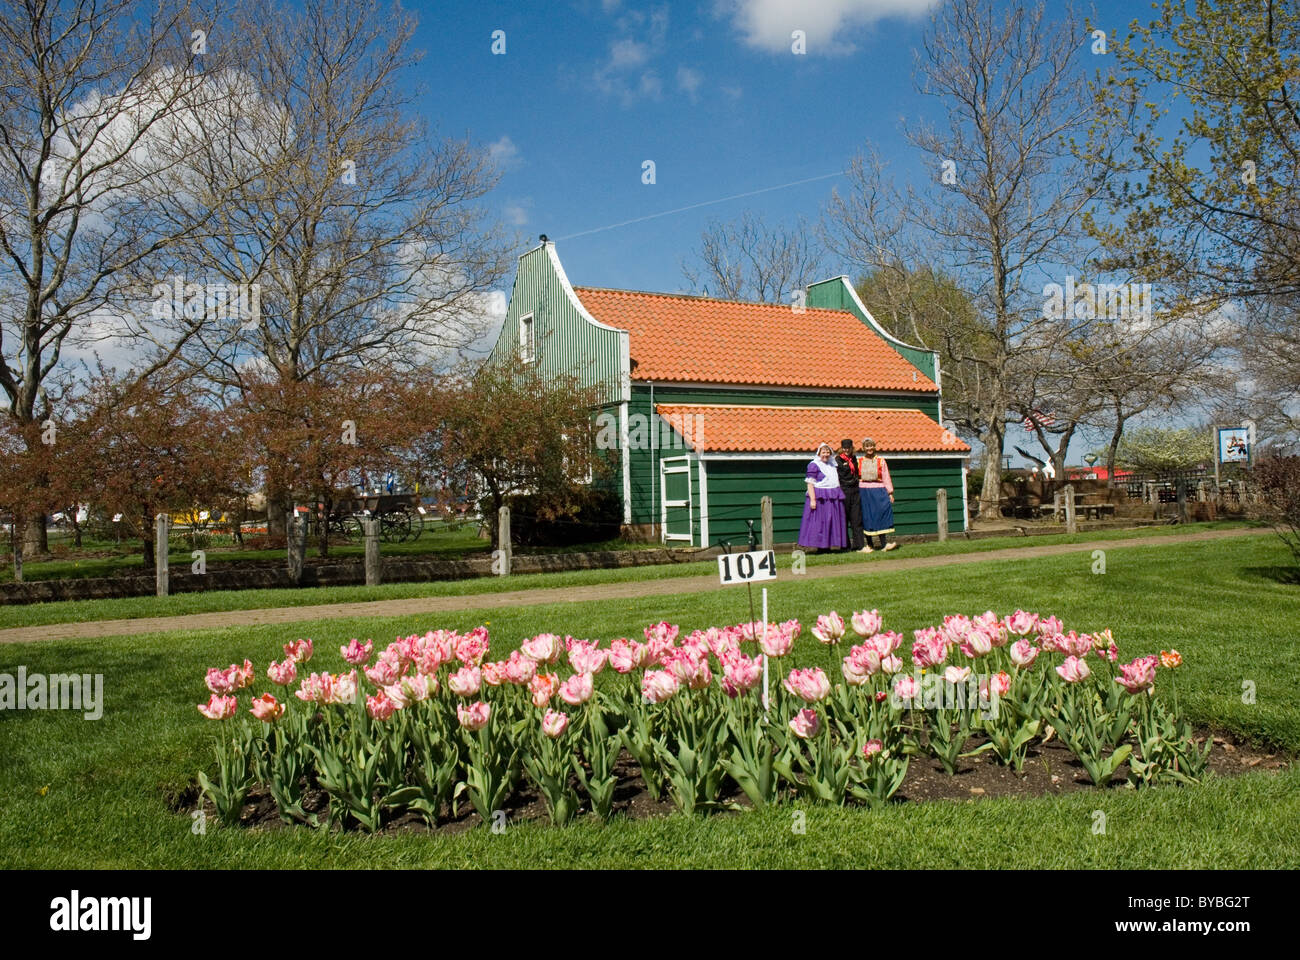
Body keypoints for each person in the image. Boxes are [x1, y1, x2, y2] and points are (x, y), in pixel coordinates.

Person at [798, 443, 847, 552]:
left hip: (832, 496)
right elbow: (810, 483)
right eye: (823, 452)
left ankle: (829, 545)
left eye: (827, 452)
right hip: (820, 497)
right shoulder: (814, 465)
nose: (826, 454)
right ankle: (820, 547)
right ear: (819, 453)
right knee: (820, 523)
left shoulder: (832, 465)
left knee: (831, 521)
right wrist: (813, 500)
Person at [857, 436, 897, 552]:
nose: (869, 448)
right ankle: (869, 545)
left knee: (880, 515)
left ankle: (884, 544)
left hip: (878, 490)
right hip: (864, 490)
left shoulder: (881, 460)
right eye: (867, 446)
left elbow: (886, 476)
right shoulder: (859, 461)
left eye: (871, 446)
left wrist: (890, 493)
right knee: (866, 516)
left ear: (874, 447)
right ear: (864, 448)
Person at [836, 439, 864, 551]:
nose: (847, 450)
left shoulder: (854, 459)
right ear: (842, 448)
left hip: (855, 490)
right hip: (844, 490)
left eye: (848, 448)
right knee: (844, 519)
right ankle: (845, 546)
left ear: (852, 448)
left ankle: (859, 545)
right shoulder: (838, 460)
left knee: (856, 519)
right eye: (845, 448)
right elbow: (840, 476)